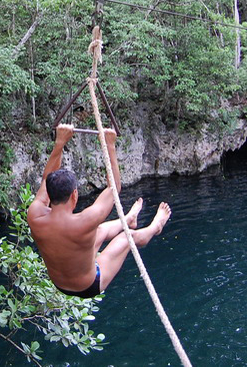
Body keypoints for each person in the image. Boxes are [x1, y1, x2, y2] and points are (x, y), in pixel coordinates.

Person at [27, 124, 171, 298]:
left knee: (100, 230)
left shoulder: (35, 214)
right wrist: (109, 146)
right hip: (89, 285)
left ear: (49, 194)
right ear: (74, 195)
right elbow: (114, 189)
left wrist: (60, 143)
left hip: (59, 283)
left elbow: (46, 178)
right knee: (126, 237)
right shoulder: (85, 220)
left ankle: (128, 219)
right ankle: (154, 227)